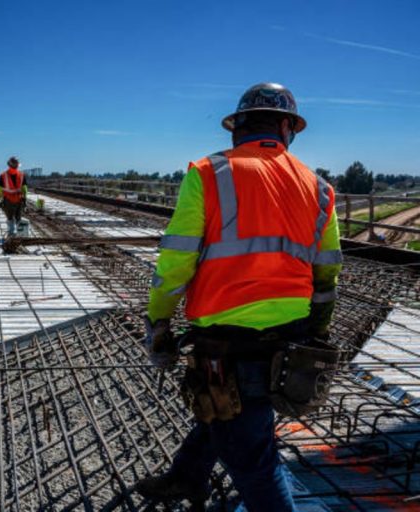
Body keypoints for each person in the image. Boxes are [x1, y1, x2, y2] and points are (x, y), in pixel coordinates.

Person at [136, 83, 342, 511]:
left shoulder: (208, 173)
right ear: (287, 127)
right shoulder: (320, 188)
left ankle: (199, 481)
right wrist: (318, 330)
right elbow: (327, 271)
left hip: (227, 334)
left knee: (253, 459)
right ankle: (187, 478)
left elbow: (176, 262)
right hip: (292, 333)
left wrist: (159, 321)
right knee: (225, 410)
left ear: (238, 128)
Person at [0, 156, 28, 236]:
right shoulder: (21, 175)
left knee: (10, 218)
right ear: (17, 165)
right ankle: (20, 234)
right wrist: (25, 199)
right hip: (18, 199)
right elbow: (24, 189)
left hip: (8, 200)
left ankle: (11, 233)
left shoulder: (3, 175)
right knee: (18, 218)